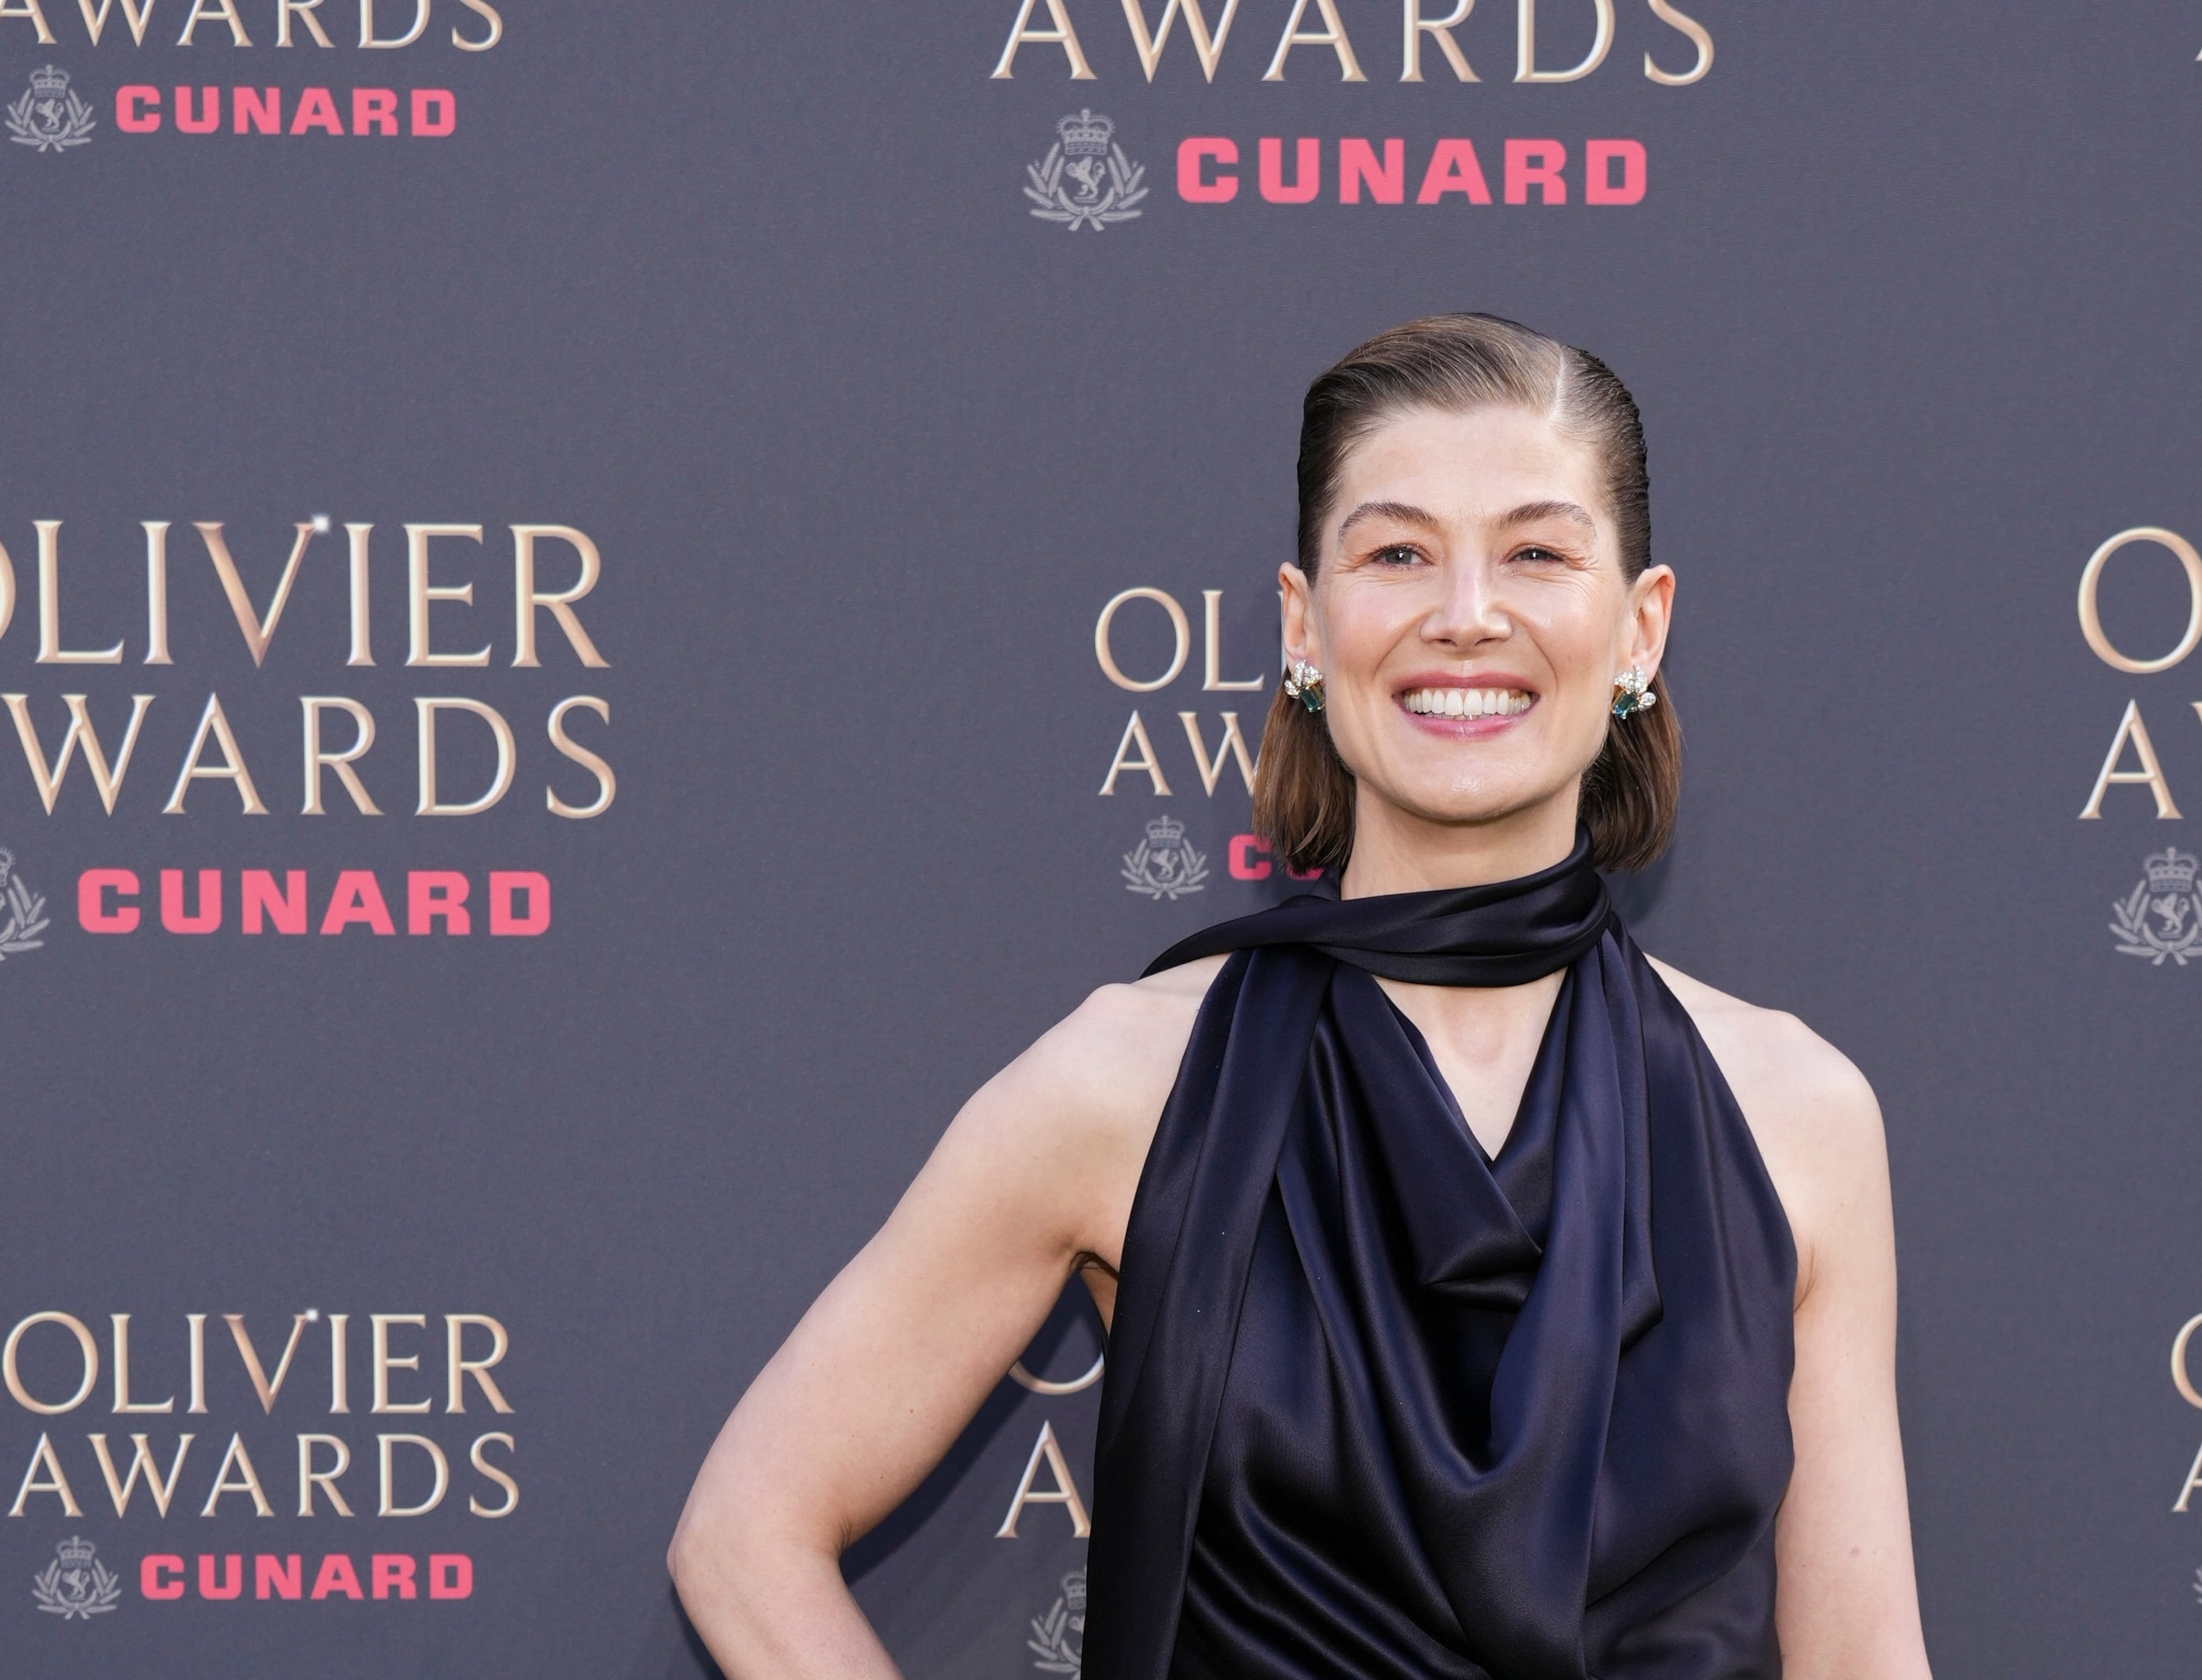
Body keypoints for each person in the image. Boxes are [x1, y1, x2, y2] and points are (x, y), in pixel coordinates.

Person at [671, 314, 1932, 1680]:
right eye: (1397, 553)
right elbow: (745, 1536)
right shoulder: (1132, 1086)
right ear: (1304, 623)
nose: (1466, 614)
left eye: (1538, 553)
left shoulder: (1795, 1114)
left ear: (1640, 627)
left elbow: (1864, 1660)